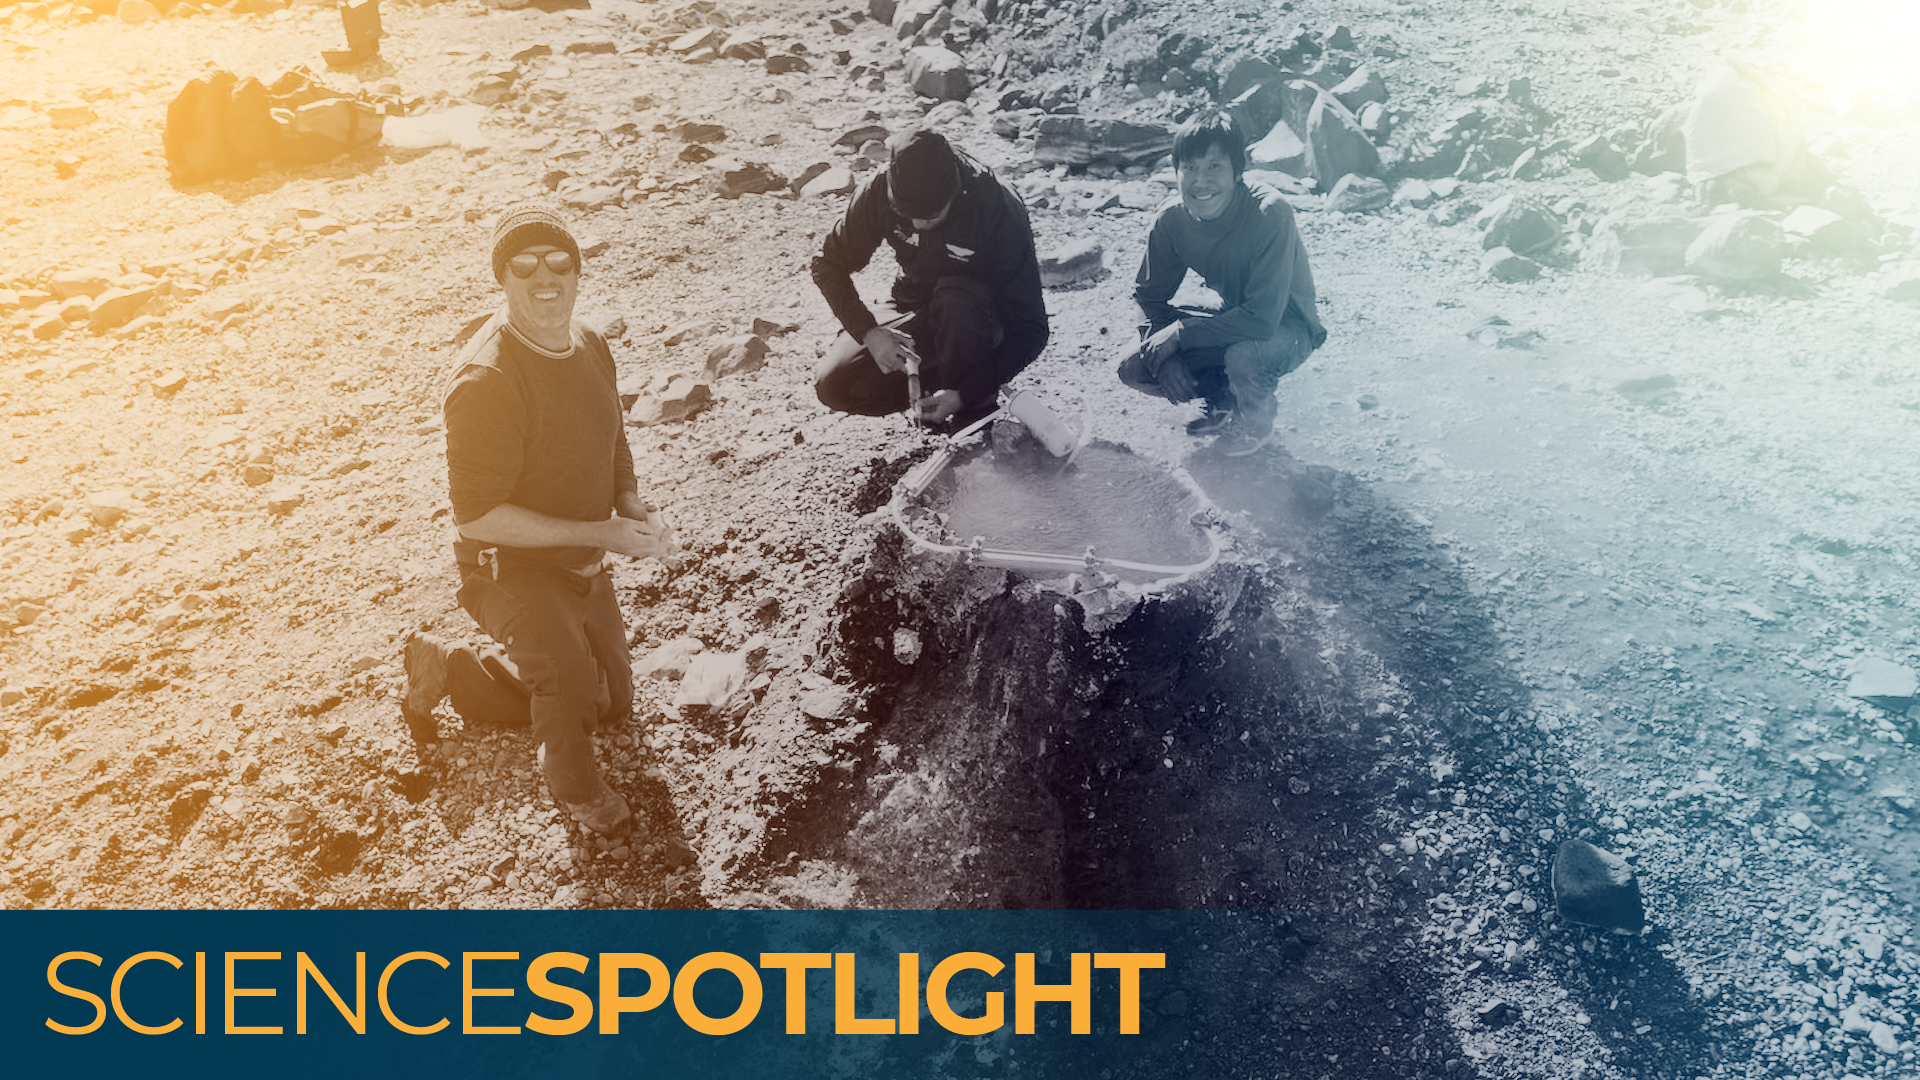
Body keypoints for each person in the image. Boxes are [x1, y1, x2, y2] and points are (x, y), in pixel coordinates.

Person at [401, 202, 676, 838]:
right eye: (523, 266)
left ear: (578, 273)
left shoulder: (590, 343)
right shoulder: (487, 379)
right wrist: (602, 534)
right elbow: (476, 519)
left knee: (609, 704)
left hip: (580, 558)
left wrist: (629, 504)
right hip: (506, 564)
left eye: (559, 262)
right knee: (570, 682)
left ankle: (453, 668)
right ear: (502, 278)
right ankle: (575, 791)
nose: (544, 276)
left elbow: (613, 439)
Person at [1117, 112, 1327, 457]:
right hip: (1234, 318)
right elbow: (1147, 297)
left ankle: (1255, 421)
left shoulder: (1270, 213)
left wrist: (1181, 333)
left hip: (1287, 327)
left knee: (1244, 356)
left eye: (1214, 167)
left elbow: (1262, 319)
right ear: (1176, 170)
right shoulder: (1171, 220)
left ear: (1238, 172)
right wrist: (1166, 356)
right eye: (1190, 168)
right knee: (1135, 364)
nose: (1201, 182)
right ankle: (1222, 399)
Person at [811, 128, 1048, 430]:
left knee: (956, 298)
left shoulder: (996, 208)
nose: (917, 224)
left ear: (955, 191)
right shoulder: (880, 189)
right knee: (835, 385)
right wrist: (869, 331)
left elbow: (1032, 331)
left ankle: (974, 410)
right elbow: (827, 263)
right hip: (914, 303)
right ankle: (930, 396)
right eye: (905, 213)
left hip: (979, 319)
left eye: (931, 216)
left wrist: (966, 393)